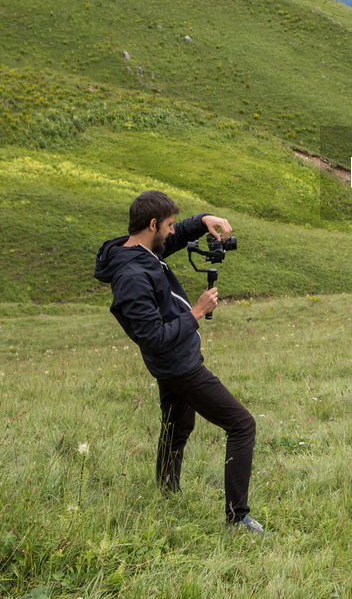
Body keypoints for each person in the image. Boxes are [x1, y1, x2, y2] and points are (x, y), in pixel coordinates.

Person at [93, 189, 264, 535]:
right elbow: (152, 337)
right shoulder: (131, 277)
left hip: (171, 365)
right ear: (152, 224)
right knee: (242, 425)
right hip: (179, 365)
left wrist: (203, 221)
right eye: (169, 225)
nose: (173, 232)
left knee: (176, 428)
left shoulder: (139, 251)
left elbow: (176, 237)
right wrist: (197, 312)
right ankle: (237, 519)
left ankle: (166, 493)